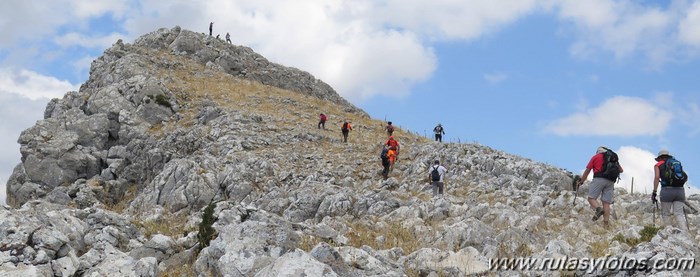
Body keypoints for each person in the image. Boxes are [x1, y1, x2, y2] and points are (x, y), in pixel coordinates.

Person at [577, 146, 623, 228]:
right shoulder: (613, 158)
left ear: (598, 151)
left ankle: (598, 209)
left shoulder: (596, 157)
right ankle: (606, 224)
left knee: (591, 198)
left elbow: (588, 170)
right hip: (611, 181)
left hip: (599, 179)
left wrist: (581, 181)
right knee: (606, 203)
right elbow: (621, 170)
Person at [652, 150, 688, 231]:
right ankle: (685, 233)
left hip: (666, 191)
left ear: (659, 158)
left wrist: (654, 191)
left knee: (666, 213)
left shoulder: (658, 165)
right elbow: (684, 177)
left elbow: (657, 178)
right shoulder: (676, 163)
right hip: (680, 191)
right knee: (679, 214)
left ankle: (668, 233)